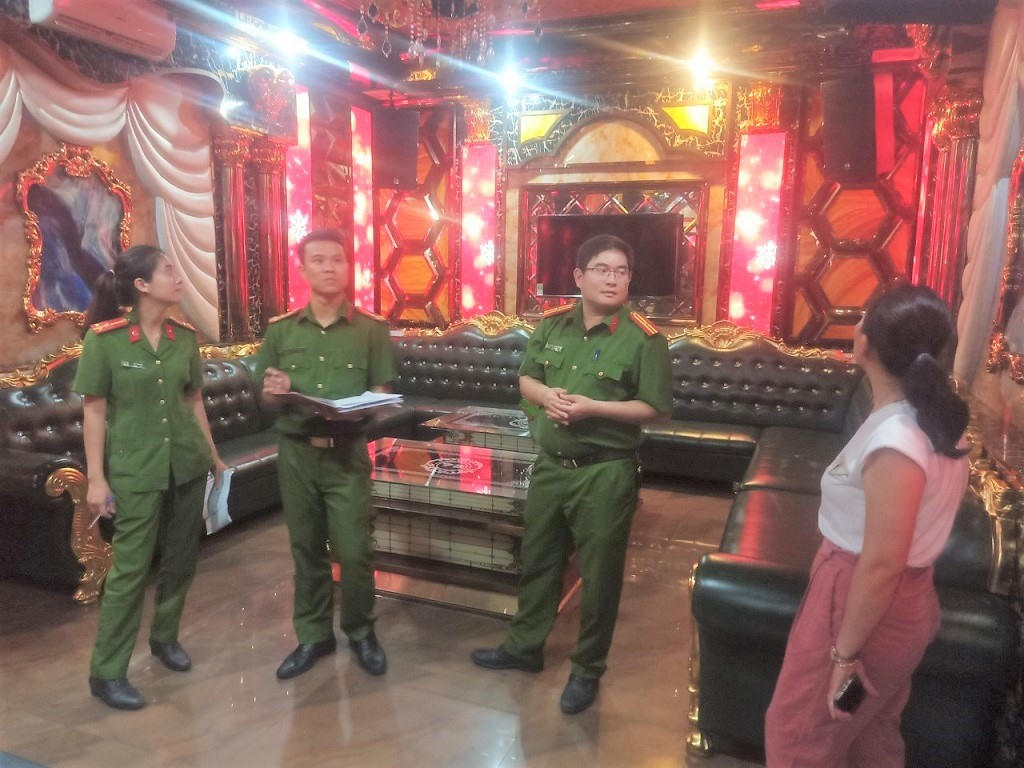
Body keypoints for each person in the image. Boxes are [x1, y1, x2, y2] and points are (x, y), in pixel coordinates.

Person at [764, 284, 970, 767]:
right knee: (868, 734)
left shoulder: (898, 440)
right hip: (900, 602)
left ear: (866, 343)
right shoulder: (928, 420)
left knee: (799, 737)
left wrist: (843, 655)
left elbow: (882, 564)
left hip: (862, 602)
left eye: (862, 318)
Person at [471, 234, 673, 714]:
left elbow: (656, 408)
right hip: (550, 467)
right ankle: (524, 647)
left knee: (599, 577)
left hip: (604, 473)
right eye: (602, 269)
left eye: (621, 271)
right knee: (538, 560)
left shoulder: (645, 338)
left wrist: (592, 408)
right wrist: (546, 398)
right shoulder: (551, 325)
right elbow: (527, 378)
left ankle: (587, 670)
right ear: (579, 277)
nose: (612, 279)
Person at [74, 244, 226, 711]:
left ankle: (165, 637)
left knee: (181, 560)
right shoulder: (106, 340)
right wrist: (96, 479)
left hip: (187, 463)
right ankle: (107, 672)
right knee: (130, 570)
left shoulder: (185, 337)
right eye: (168, 270)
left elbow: (193, 400)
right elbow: (94, 410)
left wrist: (214, 457)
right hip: (135, 471)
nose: (178, 277)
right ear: (141, 285)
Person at [255, 229, 397, 680]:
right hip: (297, 455)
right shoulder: (281, 330)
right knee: (306, 548)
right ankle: (314, 635)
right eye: (318, 260)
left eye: (337, 259)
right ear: (303, 269)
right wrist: (276, 390)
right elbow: (265, 400)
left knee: (354, 551)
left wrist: (360, 409)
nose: (329, 267)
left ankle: (361, 631)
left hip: (346, 454)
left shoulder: (371, 329)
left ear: (348, 267)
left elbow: (381, 394)